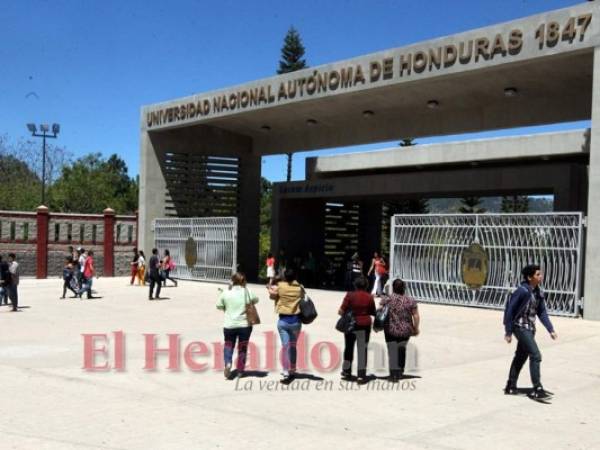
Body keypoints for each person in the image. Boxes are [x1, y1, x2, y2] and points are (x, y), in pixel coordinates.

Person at [503, 264, 558, 400]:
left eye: (541, 274)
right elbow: (510, 311)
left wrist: (550, 329)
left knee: (521, 356)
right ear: (529, 277)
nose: (541, 276)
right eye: (538, 274)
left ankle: (510, 385)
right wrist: (508, 331)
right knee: (535, 355)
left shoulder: (538, 292)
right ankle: (537, 388)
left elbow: (542, 312)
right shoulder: (522, 291)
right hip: (520, 327)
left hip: (530, 328)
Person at [216, 272, 259, 379]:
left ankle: (228, 363)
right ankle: (240, 370)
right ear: (243, 280)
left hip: (229, 325)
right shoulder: (247, 291)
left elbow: (219, 306)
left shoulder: (226, 292)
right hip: (245, 325)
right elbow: (256, 300)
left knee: (228, 345)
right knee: (243, 347)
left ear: (233, 280)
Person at [379, 278, 420, 382]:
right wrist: (416, 328)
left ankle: (393, 374)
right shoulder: (410, 300)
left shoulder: (387, 299)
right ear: (404, 288)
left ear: (393, 287)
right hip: (405, 331)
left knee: (392, 351)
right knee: (401, 350)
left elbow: (379, 310)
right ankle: (400, 371)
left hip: (390, 330)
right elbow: (416, 316)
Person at [338, 276, 376, 384]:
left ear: (355, 285)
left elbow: (341, 311)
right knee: (362, 349)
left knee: (348, 348)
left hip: (351, 325)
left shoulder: (349, 295)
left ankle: (346, 371)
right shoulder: (369, 297)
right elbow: (373, 312)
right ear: (366, 286)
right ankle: (361, 375)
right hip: (365, 324)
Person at [268, 268, 303, 382]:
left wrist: (269, 287)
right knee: (293, 346)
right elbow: (303, 298)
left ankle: (286, 370)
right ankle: (292, 369)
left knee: (285, 346)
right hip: (296, 321)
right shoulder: (300, 288)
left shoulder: (280, 286)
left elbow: (272, 295)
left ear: (284, 277)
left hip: (283, 321)